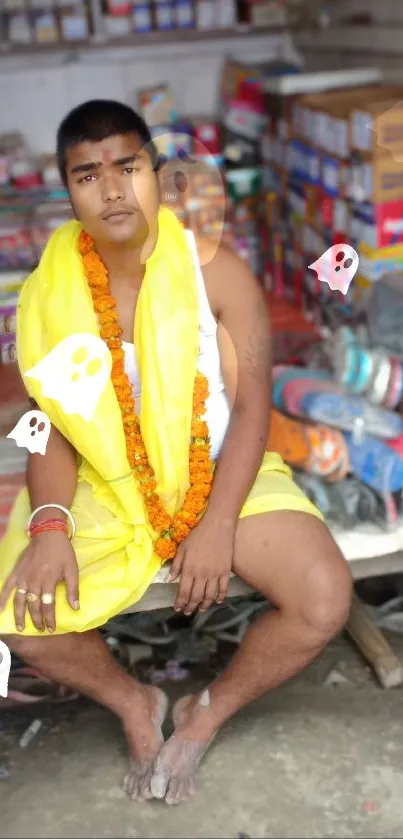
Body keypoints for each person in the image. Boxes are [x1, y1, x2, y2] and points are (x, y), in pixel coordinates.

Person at [0, 100, 352, 806]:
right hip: (108, 477)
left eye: (127, 167)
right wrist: (46, 523)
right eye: (87, 174)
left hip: (224, 468)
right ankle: (135, 701)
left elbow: (253, 404)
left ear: (157, 175)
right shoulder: (49, 292)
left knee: (323, 599)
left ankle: (202, 712)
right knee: (19, 616)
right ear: (66, 191)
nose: (111, 190)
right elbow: (54, 424)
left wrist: (218, 521)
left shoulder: (215, 274)